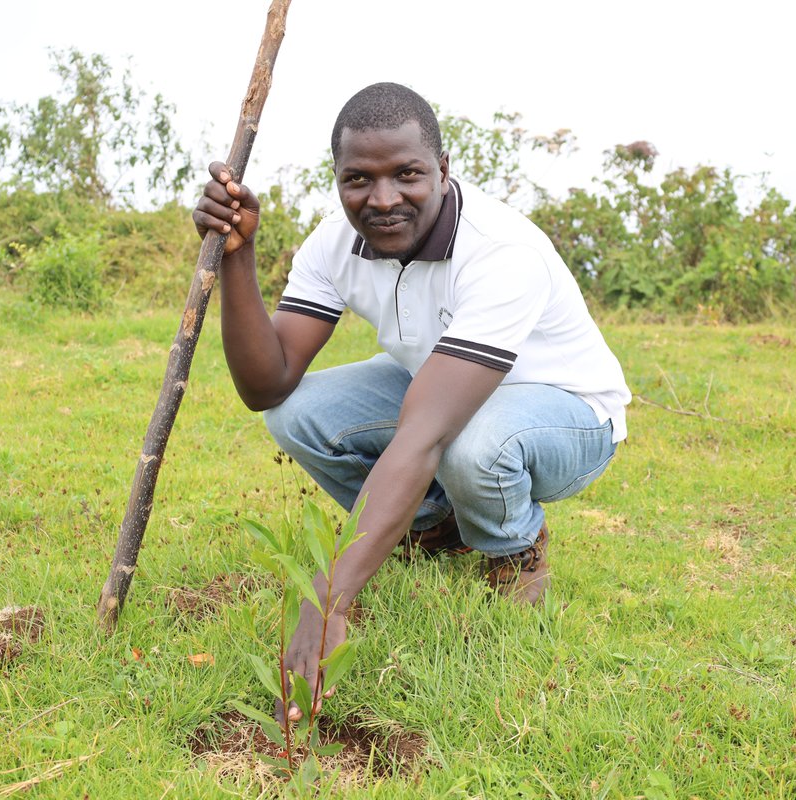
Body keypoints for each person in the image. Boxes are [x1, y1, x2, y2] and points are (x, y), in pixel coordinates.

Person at [192, 82, 629, 721]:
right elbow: (267, 383)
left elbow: (424, 435)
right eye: (359, 180)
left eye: (408, 174)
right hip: (441, 382)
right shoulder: (333, 244)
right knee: (297, 415)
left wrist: (329, 597)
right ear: (337, 180)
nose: (383, 199)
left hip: (564, 412)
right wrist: (238, 255)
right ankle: (436, 529)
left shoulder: (500, 252)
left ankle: (513, 550)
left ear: (443, 171)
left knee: (476, 445)